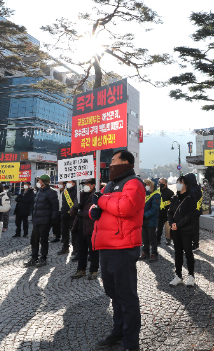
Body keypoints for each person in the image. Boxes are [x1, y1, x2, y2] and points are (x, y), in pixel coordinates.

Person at [90, 150, 145, 351]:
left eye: (113, 161)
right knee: (113, 293)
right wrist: (93, 210)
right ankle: (118, 332)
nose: (110, 164)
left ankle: (131, 341)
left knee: (126, 295)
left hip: (123, 246)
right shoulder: (111, 185)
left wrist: (100, 201)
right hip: (106, 245)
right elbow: (102, 207)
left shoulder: (133, 183)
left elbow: (125, 208)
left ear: (125, 162)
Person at [168, 174, 198, 287]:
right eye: (178, 182)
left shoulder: (191, 198)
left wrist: (178, 224)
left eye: (180, 182)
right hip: (175, 230)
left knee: (188, 253)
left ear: (186, 185)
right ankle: (178, 276)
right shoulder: (175, 198)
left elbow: (190, 214)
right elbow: (170, 212)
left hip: (186, 230)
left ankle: (191, 276)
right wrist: (172, 223)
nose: (178, 184)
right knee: (178, 253)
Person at [25, 175, 59, 267]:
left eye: (39, 181)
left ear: (44, 182)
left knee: (43, 240)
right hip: (36, 220)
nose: (38, 182)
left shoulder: (52, 192)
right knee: (34, 240)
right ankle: (34, 258)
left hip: (45, 220)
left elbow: (55, 207)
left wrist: (52, 220)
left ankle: (43, 258)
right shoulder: (39, 191)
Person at [71, 178, 100, 279]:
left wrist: (82, 213)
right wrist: (75, 208)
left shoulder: (96, 195)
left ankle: (93, 271)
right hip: (79, 227)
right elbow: (71, 212)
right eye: (84, 184)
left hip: (90, 228)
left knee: (93, 251)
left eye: (87, 184)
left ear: (93, 185)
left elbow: (96, 212)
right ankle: (81, 270)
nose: (85, 185)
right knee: (81, 251)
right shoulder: (79, 195)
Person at [140, 179, 160, 262]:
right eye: (145, 184)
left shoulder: (156, 195)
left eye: (147, 184)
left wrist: (144, 215)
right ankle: (146, 252)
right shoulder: (145, 195)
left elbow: (154, 209)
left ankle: (154, 254)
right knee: (145, 238)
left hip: (151, 220)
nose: (146, 186)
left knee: (152, 238)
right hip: (143, 220)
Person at [57, 180, 77, 255]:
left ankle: (75, 249)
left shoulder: (76, 192)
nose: (68, 184)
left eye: (70, 182)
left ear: (74, 183)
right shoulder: (65, 192)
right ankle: (65, 248)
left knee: (74, 233)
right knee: (64, 233)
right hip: (64, 215)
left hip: (72, 216)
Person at [184, 173, 203, 250]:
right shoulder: (193, 187)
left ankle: (195, 244)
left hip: (194, 212)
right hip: (192, 211)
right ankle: (193, 243)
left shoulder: (194, 189)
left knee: (194, 228)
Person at [156, 178, 173, 246]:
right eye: (160, 182)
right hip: (159, 212)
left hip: (167, 212)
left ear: (166, 183)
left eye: (162, 182)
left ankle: (168, 239)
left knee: (168, 227)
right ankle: (158, 240)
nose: (160, 184)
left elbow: (173, 203)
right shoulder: (157, 192)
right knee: (159, 227)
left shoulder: (170, 192)